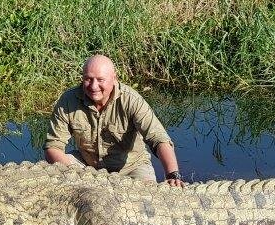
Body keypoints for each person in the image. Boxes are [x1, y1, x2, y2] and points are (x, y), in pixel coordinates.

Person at [43, 55, 185, 187]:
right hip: (87, 166)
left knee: (147, 202)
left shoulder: (131, 100)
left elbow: (158, 139)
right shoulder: (68, 100)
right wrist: (79, 176)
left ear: (114, 79)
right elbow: (53, 146)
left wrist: (173, 174)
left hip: (131, 168)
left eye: (100, 80)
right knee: (56, 172)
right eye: (88, 79)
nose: (93, 86)